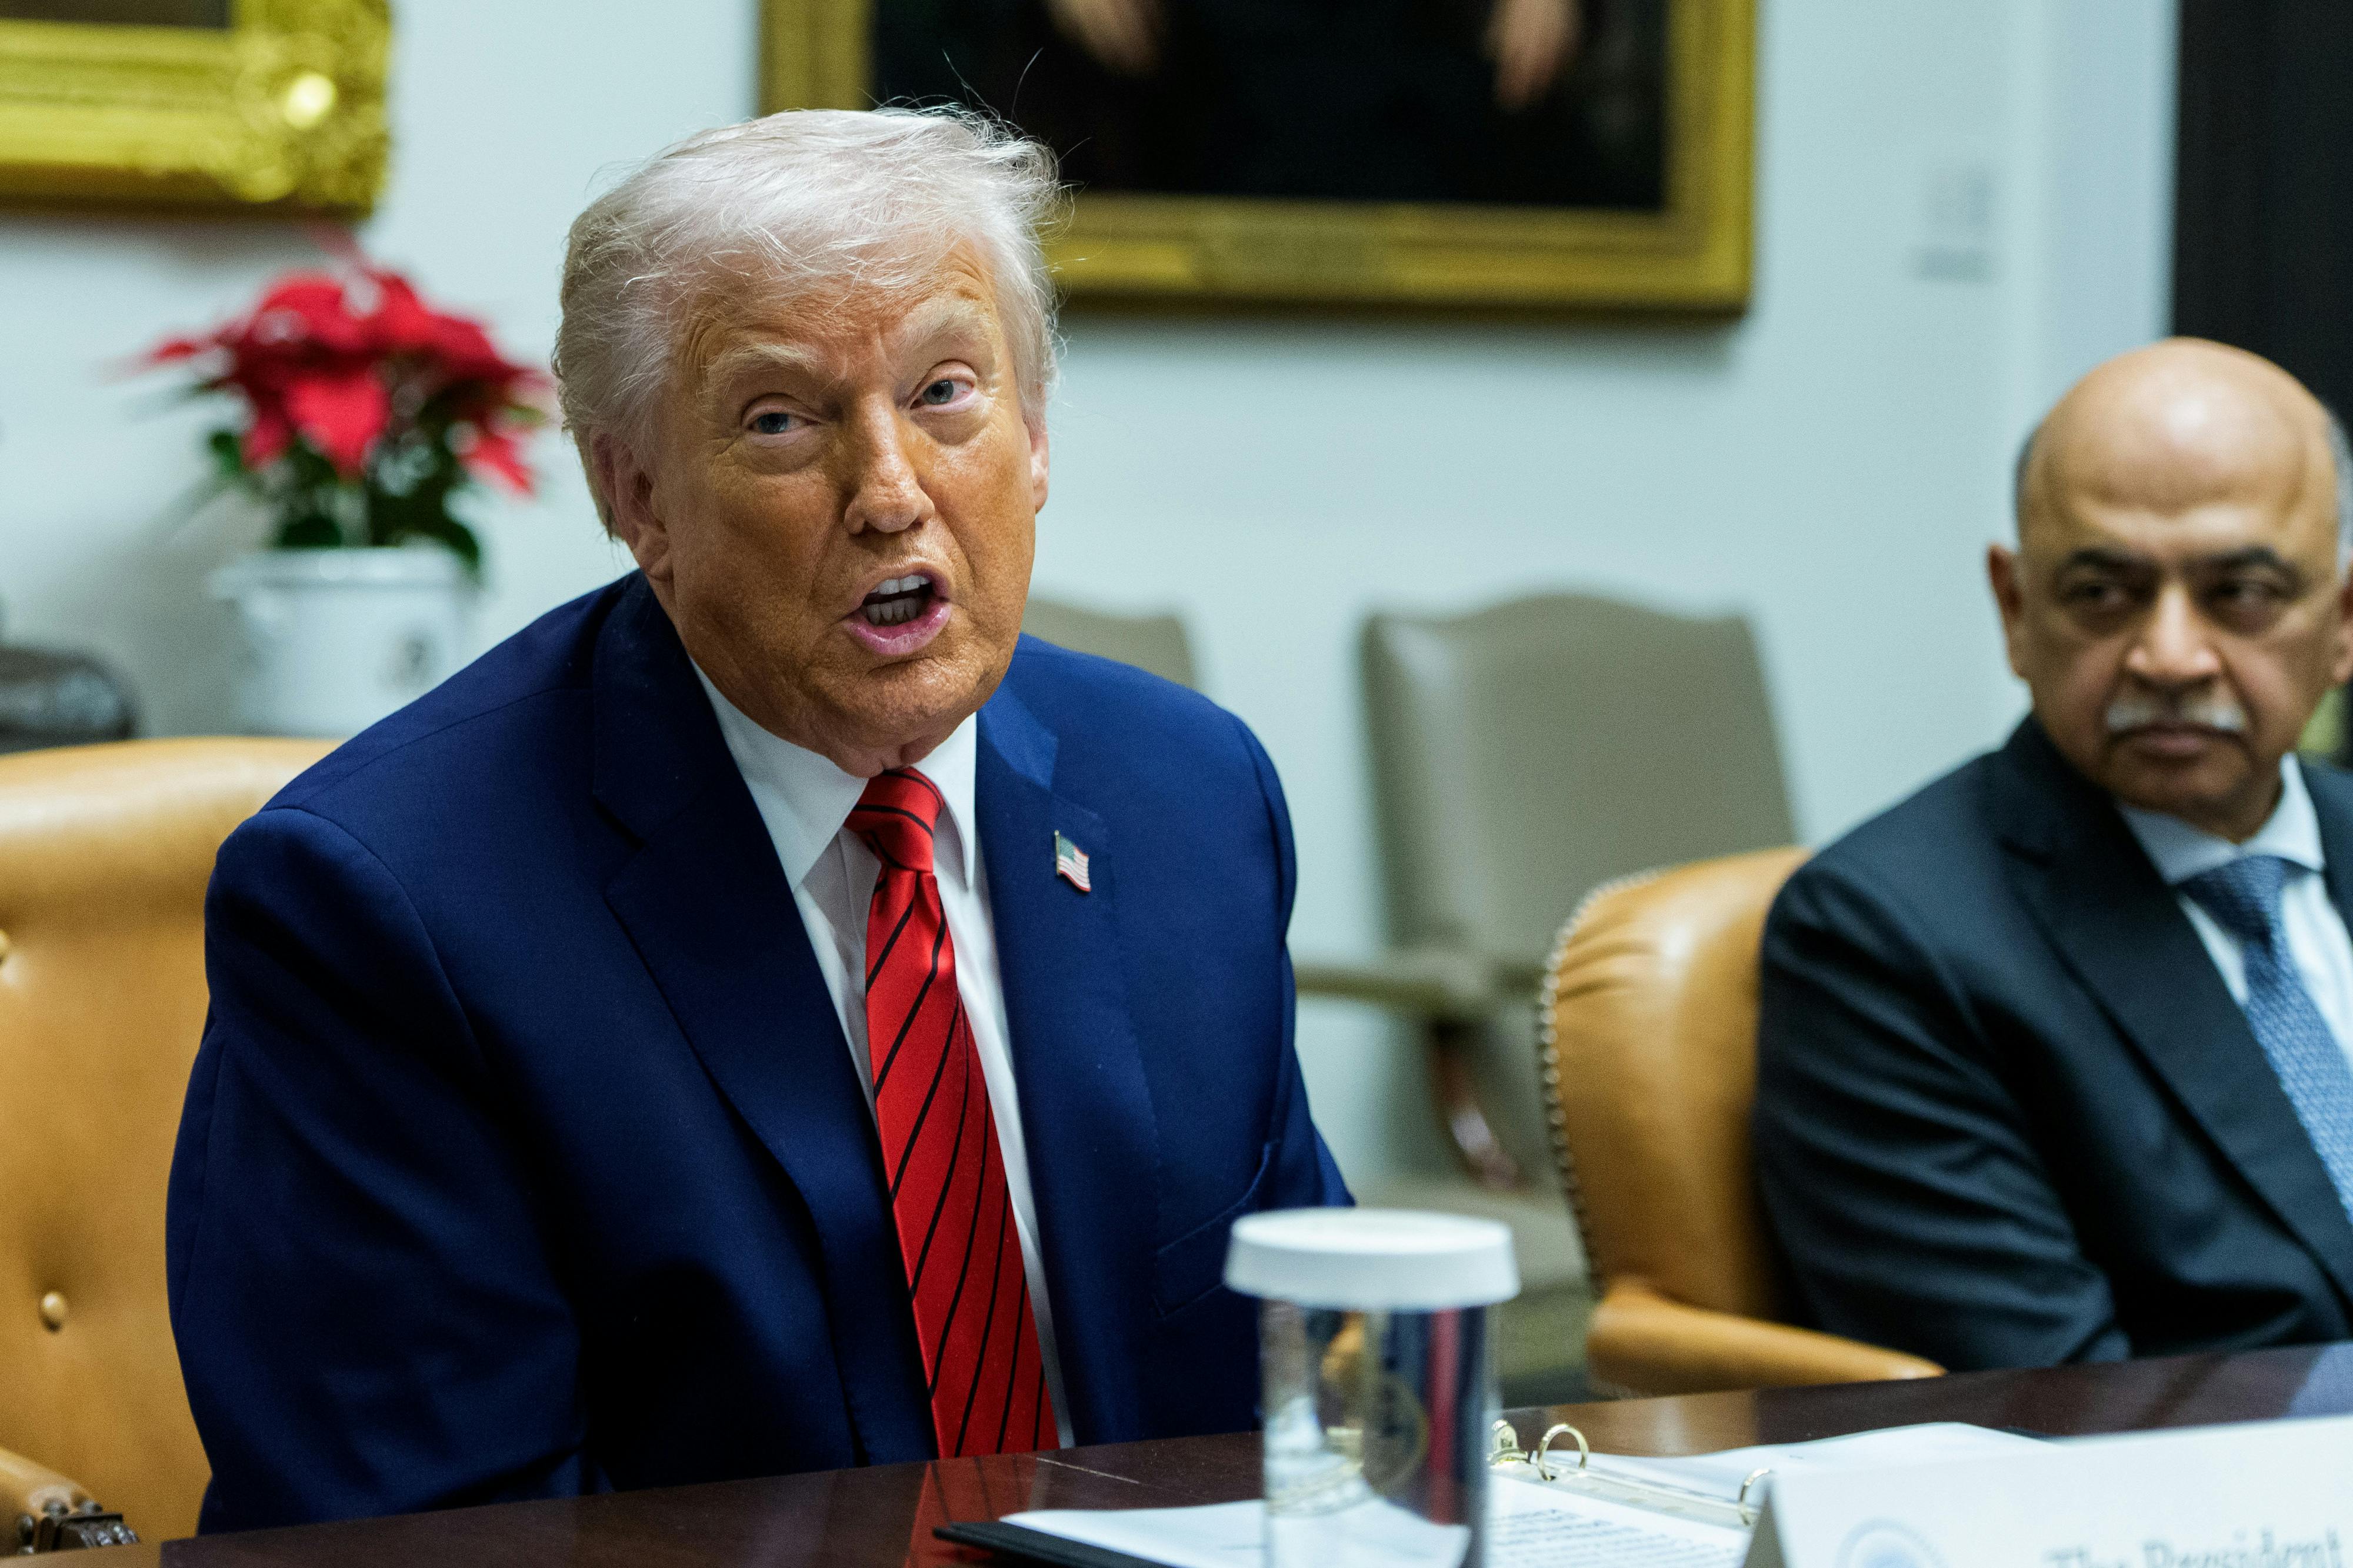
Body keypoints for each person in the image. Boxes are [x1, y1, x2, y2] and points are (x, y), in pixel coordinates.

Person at [165, 109, 1348, 1532]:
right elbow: (433, 1532)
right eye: (781, 419)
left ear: (1034, 439)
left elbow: (1323, 1393)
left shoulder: (1186, 795)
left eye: (947, 391)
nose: (891, 493)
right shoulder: (389, 906)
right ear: (637, 494)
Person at [1755, 338, 2353, 1371]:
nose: (2171, 656)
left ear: (2342, 620)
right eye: (2102, 592)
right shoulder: (1888, 938)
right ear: (2017, 609)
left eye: (2242, 591)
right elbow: (2052, 1401)